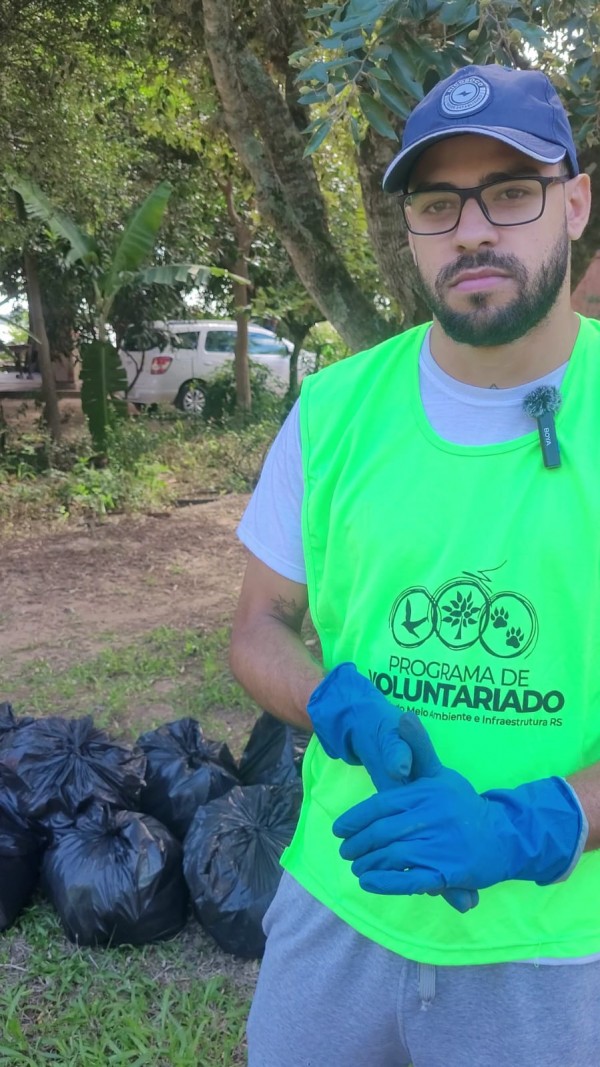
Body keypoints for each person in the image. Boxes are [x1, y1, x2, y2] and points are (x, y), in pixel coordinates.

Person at [229, 63, 600, 1067]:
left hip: (554, 951)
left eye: (511, 192)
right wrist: (329, 700)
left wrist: (543, 821)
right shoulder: (336, 412)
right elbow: (258, 623)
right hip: (337, 904)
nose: (474, 229)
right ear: (412, 231)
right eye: (439, 204)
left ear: (575, 201)